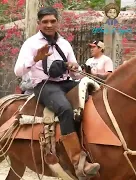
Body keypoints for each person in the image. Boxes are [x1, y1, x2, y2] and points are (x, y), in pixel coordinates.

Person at [14, 7, 100, 178]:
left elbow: (75, 72)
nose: (49, 24)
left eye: (52, 21)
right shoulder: (31, 43)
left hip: (66, 82)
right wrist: (35, 59)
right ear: (39, 24)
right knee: (65, 109)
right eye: (45, 21)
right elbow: (17, 71)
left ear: (57, 22)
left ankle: (94, 146)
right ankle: (77, 160)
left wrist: (76, 68)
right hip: (44, 85)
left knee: (94, 100)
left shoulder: (64, 43)